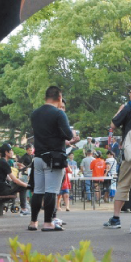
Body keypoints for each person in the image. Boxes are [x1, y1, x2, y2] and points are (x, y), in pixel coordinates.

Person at [28, 86, 77, 232]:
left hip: (38, 157)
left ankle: (33, 222)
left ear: (45, 97)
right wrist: (72, 133)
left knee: (38, 191)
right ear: (59, 98)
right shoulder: (58, 113)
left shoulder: (35, 114)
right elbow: (68, 135)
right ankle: (48, 222)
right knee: (51, 190)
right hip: (54, 158)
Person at [106, 82, 131, 231]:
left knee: (124, 183)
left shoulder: (129, 107)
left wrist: (119, 111)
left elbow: (113, 124)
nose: (129, 94)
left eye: (130, 92)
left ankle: (116, 218)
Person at [0, 143, 29, 212]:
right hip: (1, 191)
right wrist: (27, 185)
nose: (12, 152)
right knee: (23, 186)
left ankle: (21, 207)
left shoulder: (0, 162)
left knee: (20, 183)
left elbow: (9, 179)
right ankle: (24, 209)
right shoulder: (4, 163)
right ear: (6, 152)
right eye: (11, 150)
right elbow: (14, 180)